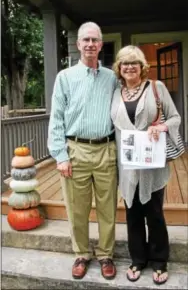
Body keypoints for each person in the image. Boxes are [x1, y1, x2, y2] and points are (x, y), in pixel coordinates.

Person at [48, 22, 118, 280]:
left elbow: (122, 111)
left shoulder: (112, 78)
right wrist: (60, 155)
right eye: (85, 40)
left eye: (95, 40)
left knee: (107, 206)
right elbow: (56, 119)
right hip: (75, 150)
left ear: (101, 45)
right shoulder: (65, 78)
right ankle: (81, 253)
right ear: (78, 45)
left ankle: (106, 254)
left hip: (106, 150)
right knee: (76, 208)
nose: (90, 44)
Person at [111, 45, 181, 285]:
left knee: (154, 214)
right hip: (128, 165)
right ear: (119, 69)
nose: (129, 67)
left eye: (134, 63)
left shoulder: (156, 87)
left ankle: (160, 261)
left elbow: (175, 117)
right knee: (132, 214)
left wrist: (162, 127)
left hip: (152, 164)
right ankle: (138, 259)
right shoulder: (116, 92)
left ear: (142, 67)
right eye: (124, 63)